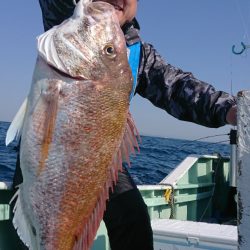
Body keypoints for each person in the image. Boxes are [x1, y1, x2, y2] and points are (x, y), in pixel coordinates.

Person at [14, 0, 237, 249]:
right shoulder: (69, 17)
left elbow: (177, 89)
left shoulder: (141, 54)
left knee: (134, 219)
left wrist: (230, 110)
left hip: (99, 159)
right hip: (48, 154)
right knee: (34, 218)